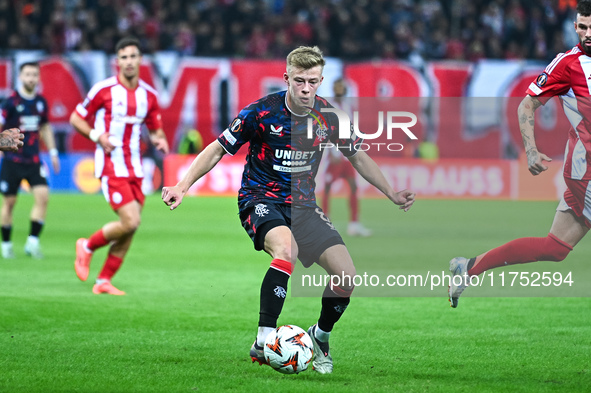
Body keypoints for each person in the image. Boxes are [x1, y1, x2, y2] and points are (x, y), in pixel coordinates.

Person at [162, 46, 415, 373]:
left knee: (347, 276)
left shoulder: (330, 117)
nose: (306, 88)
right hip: (260, 199)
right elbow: (217, 149)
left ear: (321, 80)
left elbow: (358, 157)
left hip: (304, 207)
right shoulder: (260, 112)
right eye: (299, 81)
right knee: (286, 249)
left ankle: (320, 337)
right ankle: (264, 338)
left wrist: (391, 193)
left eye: (312, 81)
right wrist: (183, 186)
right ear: (287, 78)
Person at [448, 1, 591, 308]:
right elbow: (526, 104)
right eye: (582, 27)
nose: (587, 34)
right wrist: (531, 149)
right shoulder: (568, 63)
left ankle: (469, 267)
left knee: (555, 247)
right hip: (586, 171)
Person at [70, 36, 169, 295]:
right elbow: (76, 118)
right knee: (130, 220)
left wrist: (160, 141)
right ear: (117, 62)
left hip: (136, 168)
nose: (128, 61)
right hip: (112, 165)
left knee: (131, 228)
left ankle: (103, 280)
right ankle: (87, 246)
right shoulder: (103, 90)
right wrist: (97, 136)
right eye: (123, 57)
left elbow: (155, 129)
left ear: (139, 60)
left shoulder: (149, 95)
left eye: (133, 56)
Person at [0, 62, 60, 259]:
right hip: (12, 160)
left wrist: (53, 152)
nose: (31, 78)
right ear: (20, 77)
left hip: (34, 160)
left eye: (34, 74)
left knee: (43, 197)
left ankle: (32, 243)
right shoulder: (10, 102)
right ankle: (6, 244)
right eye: (27, 74)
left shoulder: (41, 102)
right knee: (9, 203)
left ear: (38, 78)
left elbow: (45, 128)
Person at [322, 78, 372, 237]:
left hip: (347, 154)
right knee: (328, 188)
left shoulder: (348, 106)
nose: (339, 89)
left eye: (341, 87)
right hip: (335, 155)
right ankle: (323, 223)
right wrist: (330, 152)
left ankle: (354, 224)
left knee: (353, 187)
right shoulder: (329, 107)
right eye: (337, 86)